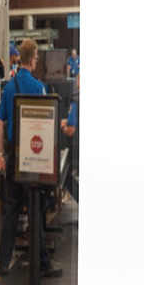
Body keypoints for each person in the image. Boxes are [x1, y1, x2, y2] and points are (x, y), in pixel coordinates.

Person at [0, 39, 63, 278]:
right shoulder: (38, 87)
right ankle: (43, 262)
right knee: (35, 209)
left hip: (13, 155)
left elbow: (1, 123)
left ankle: (4, 262)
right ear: (33, 59)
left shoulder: (9, 87)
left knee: (12, 209)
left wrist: (1, 154)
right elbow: (47, 123)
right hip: (34, 157)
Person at [60, 74, 79, 204]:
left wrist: (63, 127)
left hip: (77, 148)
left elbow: (71, 131)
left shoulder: (76, 101)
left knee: (64, 174)